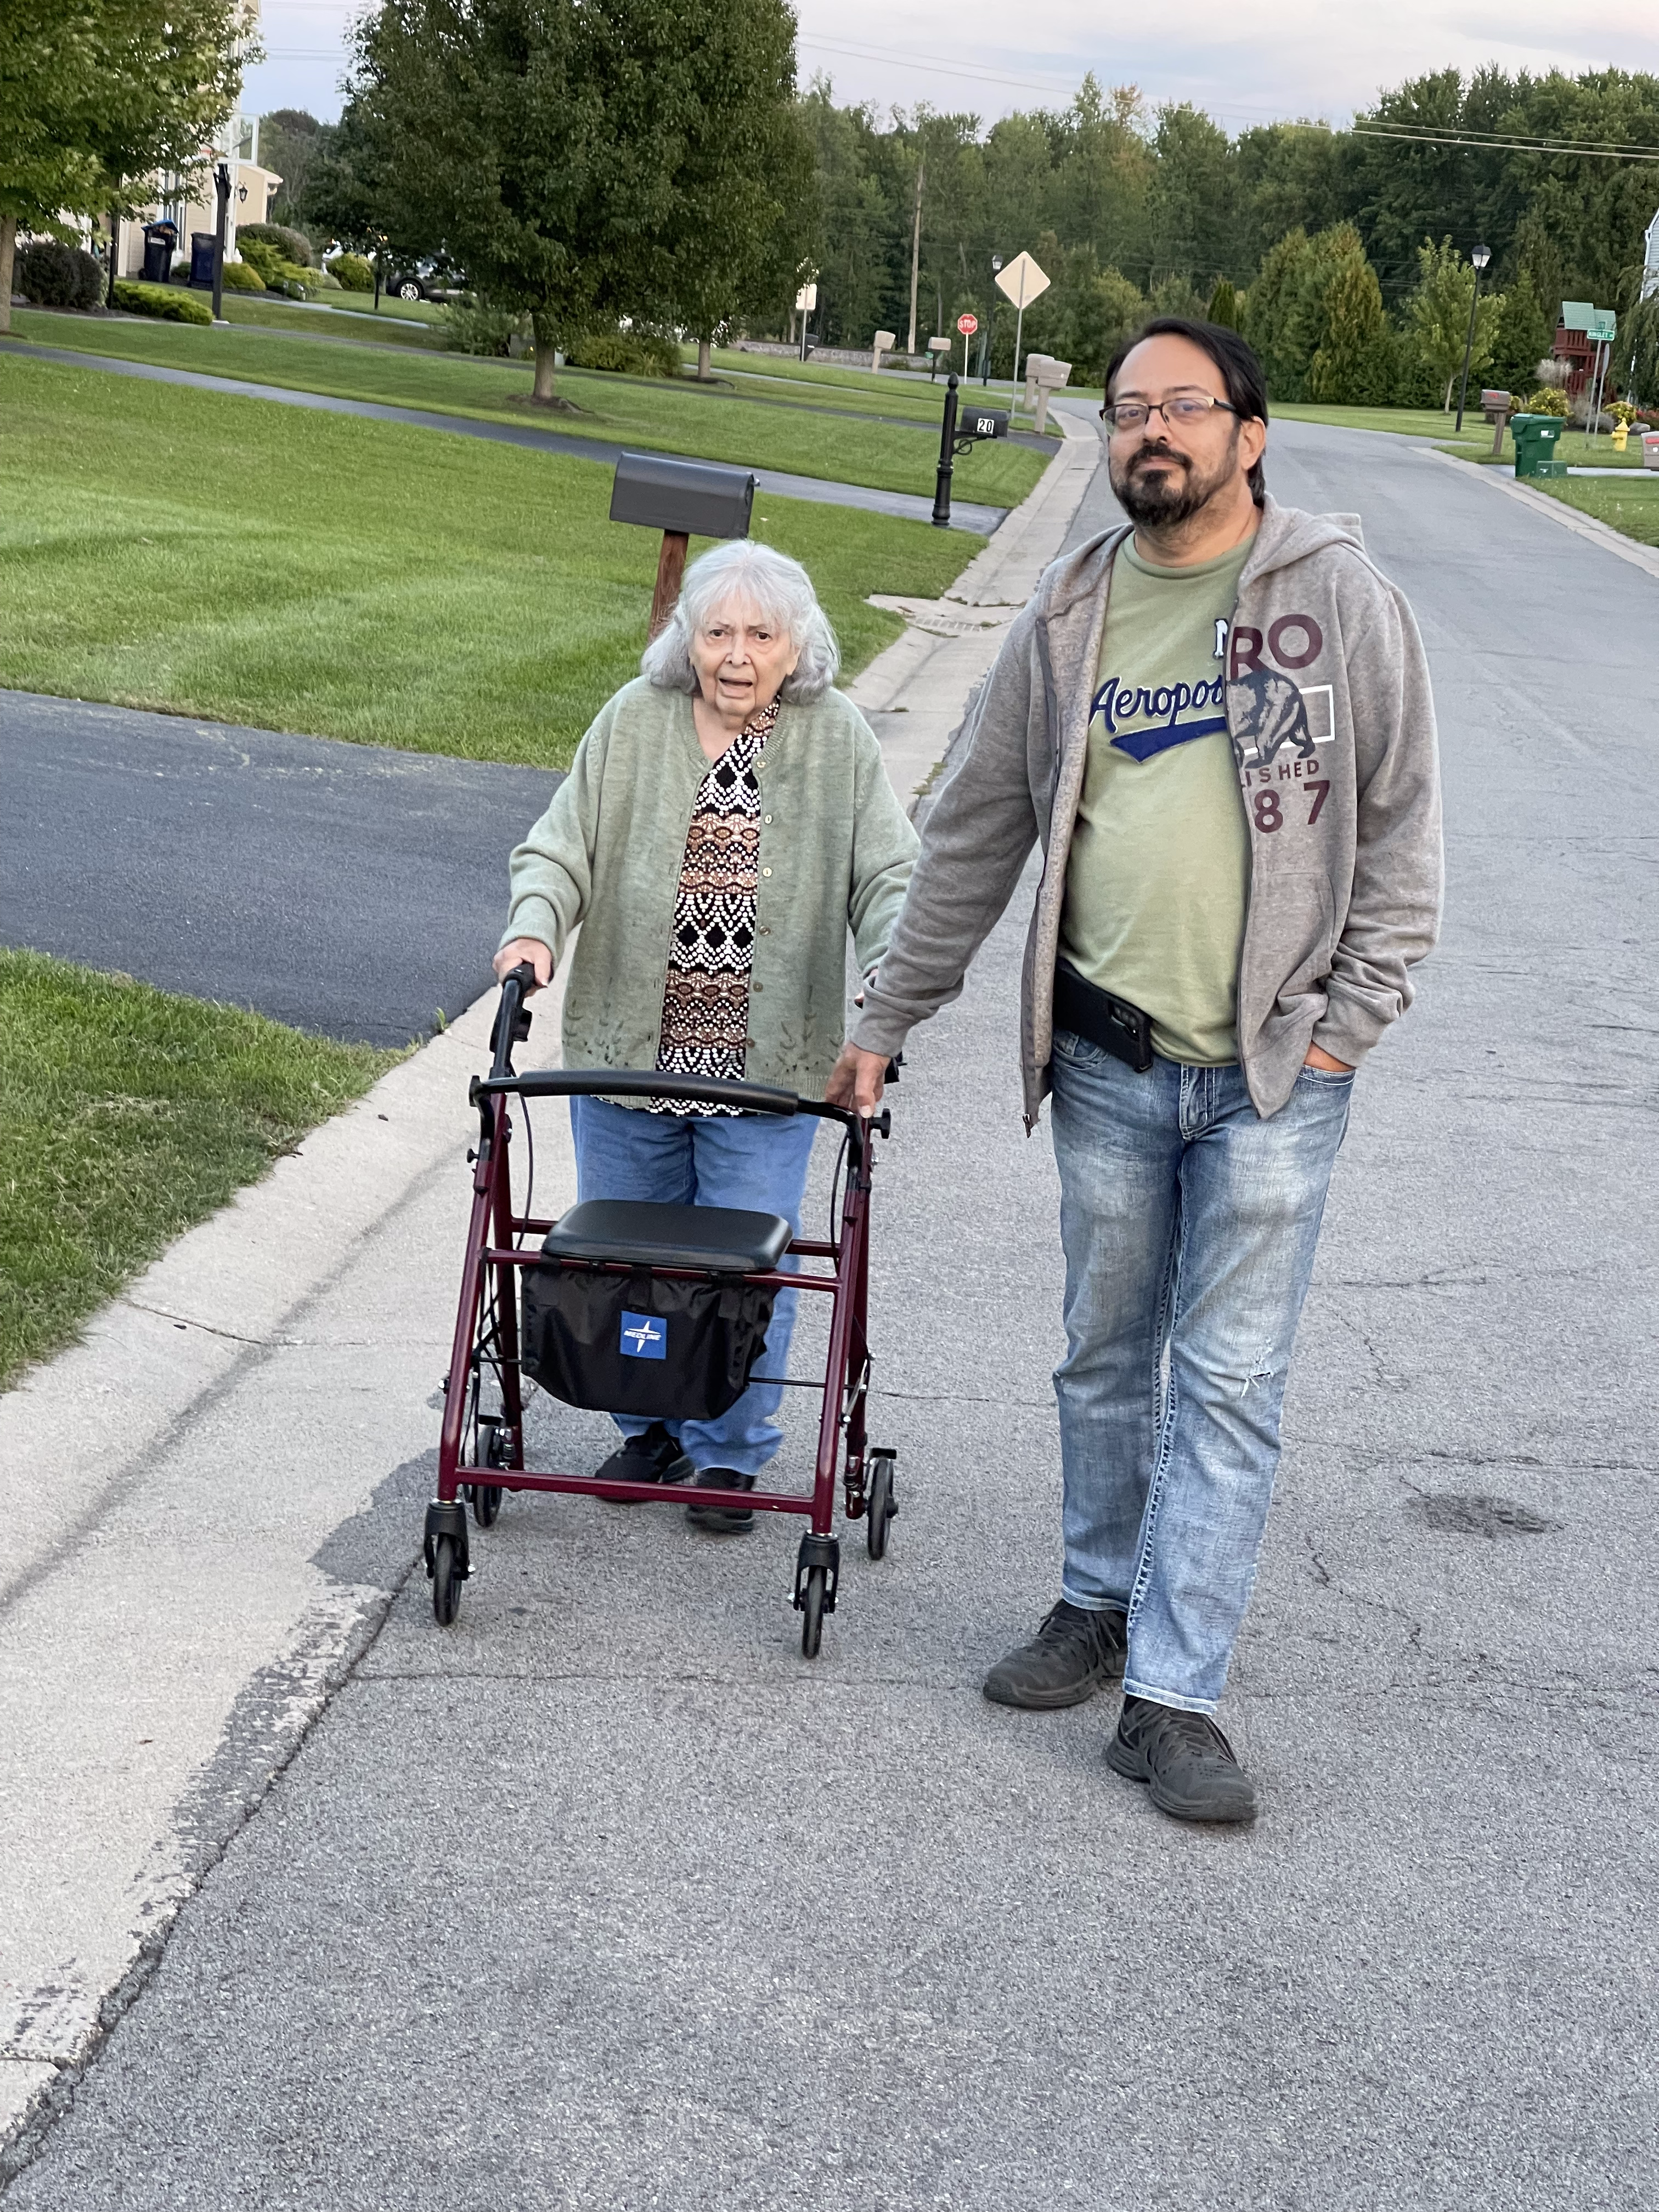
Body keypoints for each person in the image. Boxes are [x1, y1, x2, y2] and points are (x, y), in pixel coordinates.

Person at [828, 318, 1442, 1823]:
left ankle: (1175, 1700)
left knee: (1228, 1385)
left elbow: (1403, 827)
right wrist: (885, 1015)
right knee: (1104, 1357)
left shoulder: (1339, 597)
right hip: (1107, 1058)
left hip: (1277, 1076)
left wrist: (1353, 1021)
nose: (1148, 433)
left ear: (1252, 432)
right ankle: (1094, 1605)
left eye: (1183, 407)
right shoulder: (1067, 611)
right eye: (1126, 411)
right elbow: (975, 831)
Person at [498, 539, 918, 1531]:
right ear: (686, 639)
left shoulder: (835, 737)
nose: (738, 654)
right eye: (718, 631)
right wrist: (532, 929)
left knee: (744, 1268)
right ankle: (648, 1422)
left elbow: (888, 876)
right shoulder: (633, 722)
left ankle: (728, 1452)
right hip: (625, 1052)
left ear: (797, 645)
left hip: (767, 1066)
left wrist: (892, 986)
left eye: (761, 635)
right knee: (629, 1256)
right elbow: (561, 845)